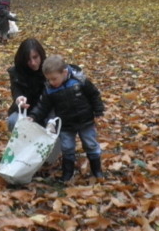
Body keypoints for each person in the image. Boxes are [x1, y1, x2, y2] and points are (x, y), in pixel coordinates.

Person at [26, 54, 105, 182]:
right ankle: (67, 172)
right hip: (65, 124)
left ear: (64, 72)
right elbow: (43, 106)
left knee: (90, 144)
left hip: (85, 120)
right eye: (49, 79)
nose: (51, 82)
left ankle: (97, 170)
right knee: (67, 147)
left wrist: (98, 110)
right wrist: (33, 116)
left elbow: (94, 94)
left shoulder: (79, 81)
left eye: (54, 79)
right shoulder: (50, 89)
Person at [6, 38, 47, 131]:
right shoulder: (17, 72)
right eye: (28, 59)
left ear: (41, 54)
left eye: (35, 57)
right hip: (25, 110)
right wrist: (19, 98)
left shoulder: (49, 69)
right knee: (13, 120)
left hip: (46, 109)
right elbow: (16, 89)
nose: (33, 63)